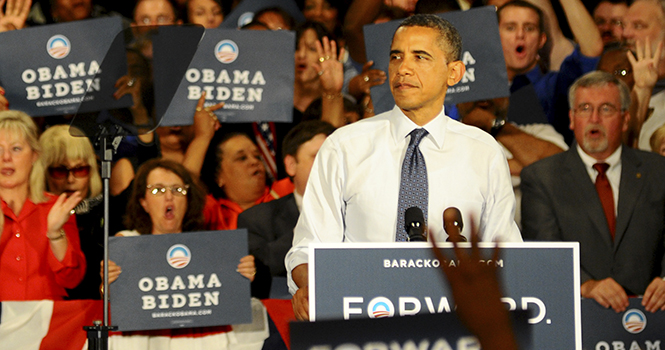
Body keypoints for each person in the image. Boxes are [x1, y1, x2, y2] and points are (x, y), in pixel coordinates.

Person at [286, 14, 522, 320]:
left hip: (452, 322)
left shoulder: (484, 151)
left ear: (454, 72)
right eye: (396, 56)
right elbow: (309, 247)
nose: (403, 68)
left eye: (420, 57)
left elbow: (507, 254)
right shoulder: (344, 146)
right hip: (361, 322)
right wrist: (307, 283)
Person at [521, 71, 665, 313]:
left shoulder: (658, 171)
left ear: (626, 119)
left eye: (606, 109)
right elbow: (545, 251)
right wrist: (585, 285)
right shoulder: (541, 178)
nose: (594, 118)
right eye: (585, 108)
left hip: (653, 319)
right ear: (571, 118)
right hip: (579, 315)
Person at [107, 158, 255, 283]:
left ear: (188, 200)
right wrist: (106, 285)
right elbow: (116, 302)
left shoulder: (210, 248)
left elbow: (226, 297)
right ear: (144, 202)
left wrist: (242, 277)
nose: (169, 197)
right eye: (158, 190)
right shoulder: (127, 244)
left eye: (177, 190)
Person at [237, 121, 335, 298]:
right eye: (317, 157)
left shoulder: (361, 210)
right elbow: (263, 269)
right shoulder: (256, 219)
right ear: (291, 165)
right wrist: (315, 222)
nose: (329, 165)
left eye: (334, 158)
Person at [0, 110, 85, 301]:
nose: (6, 158)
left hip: (47, 323)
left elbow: (72, 279)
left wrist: (55, 234)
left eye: (15, 149)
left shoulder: (57, 207)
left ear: (34, 155)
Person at [498, 0, 603, 142]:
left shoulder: (555, 85)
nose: (520, 34)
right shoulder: (478, 85)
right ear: (495, 37)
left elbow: (592, 49)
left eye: (529, 28)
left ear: (541, 40)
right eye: (510, 28)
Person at [35, 124, 104, 300]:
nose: (71, 179)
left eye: (80, 169)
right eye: (60, 171)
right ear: (43, 173)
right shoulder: (31, 215)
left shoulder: (109, 211)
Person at [201, 132, 280, 230]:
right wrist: (202, 137)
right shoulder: (213, 211)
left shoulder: (283, 192)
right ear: (219, 176)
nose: (254, 161)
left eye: (257, 156)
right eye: (242, 158)